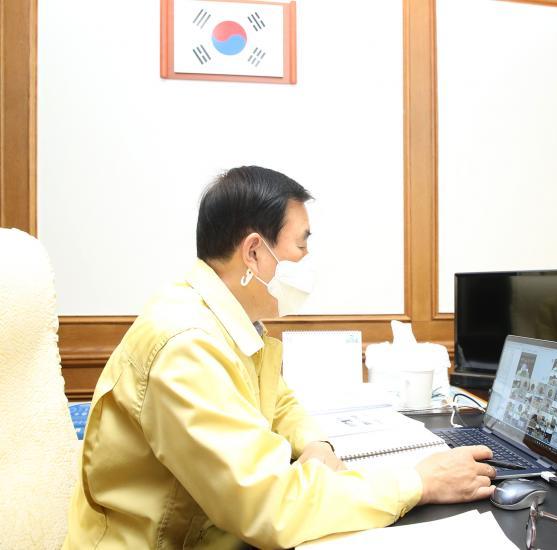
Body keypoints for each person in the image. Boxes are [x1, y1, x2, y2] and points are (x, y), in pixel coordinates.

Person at [63, 166, 496, 549]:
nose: (306, 260)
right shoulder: (186, 346)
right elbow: (268, 506)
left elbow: (277, 400)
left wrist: (316, 444)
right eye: (301, 245)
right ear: (254, 252)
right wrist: (419, 482)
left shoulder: (226, 317)